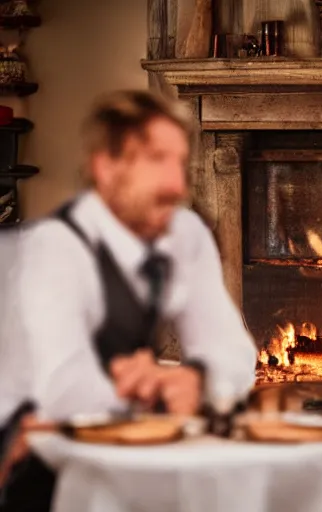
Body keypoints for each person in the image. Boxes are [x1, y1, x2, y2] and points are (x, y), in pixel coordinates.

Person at [0, 89, 257, 511]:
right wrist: (158, 385)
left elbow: (233, 353)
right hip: (34, 462)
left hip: (125, 449)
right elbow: (63, 392)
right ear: (106, 168)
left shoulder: (182, 233)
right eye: (157, 161)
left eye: (179, 163)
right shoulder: (55, 248)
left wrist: (195, 378)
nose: (176, 184)